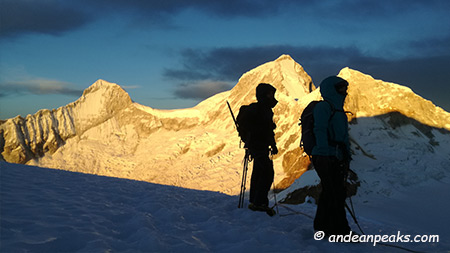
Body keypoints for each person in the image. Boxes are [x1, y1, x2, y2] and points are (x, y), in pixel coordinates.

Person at [312, 76, 351, 235]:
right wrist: (323, 153)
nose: (345, 91)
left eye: (345, 88)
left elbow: (344, 137)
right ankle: (340, 231)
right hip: (325, 156)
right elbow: (319, 129)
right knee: (336, 193)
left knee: (331, 192)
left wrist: (346, 156)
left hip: (335, 156)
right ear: (332, 89)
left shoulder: (339, 110)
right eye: (341, 88)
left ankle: (322, 226)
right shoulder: (324, 107)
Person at [238, 83, 278, 214]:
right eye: (270, 93)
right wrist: (267, 135)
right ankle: (259, 202)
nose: (272, 96)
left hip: (258, 146)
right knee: (267, 173)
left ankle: (255, 201)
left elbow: (266, 130)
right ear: (263, 95)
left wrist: (272, 144)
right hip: (257, 145)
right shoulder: (259, 109)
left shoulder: (264, 109)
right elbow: (263, 129)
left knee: (259, 172)